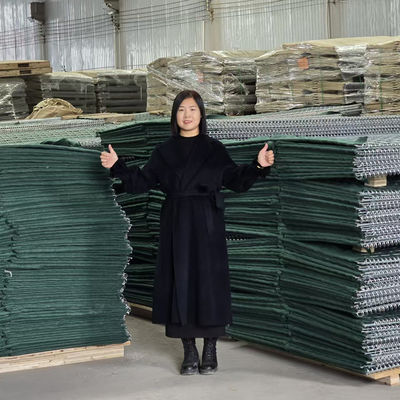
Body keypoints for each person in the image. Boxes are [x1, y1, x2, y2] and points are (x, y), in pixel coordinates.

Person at [100, 90, 274, 376]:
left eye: (192, 109)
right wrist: (117, 166)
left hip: (208, 221)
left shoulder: (214, 149)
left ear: (201, 114)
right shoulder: (164, 151)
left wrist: (258, 166)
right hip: (176, 222)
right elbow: (141, 182)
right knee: (179, 281)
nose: (187, 115)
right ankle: (189, 350)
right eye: (181, 109)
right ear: (175, 115)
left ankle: (210, 348)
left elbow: (235, 180)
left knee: (209, 282)